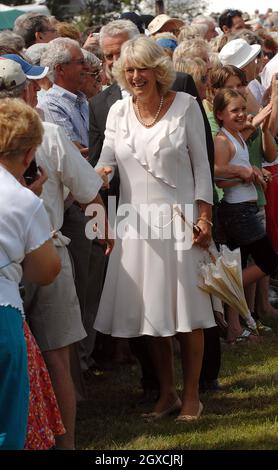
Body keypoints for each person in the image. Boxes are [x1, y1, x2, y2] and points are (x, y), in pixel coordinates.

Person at [94, 36, 217, 421]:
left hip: (181, 223)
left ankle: (193, 395)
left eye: (142, 68)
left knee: (188, 315)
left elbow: (202, 167)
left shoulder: (185, 106)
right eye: (128, 70)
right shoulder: (116, 111)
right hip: (135, 226)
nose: (135, 76)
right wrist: (89, 178)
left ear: (158, 70)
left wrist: (204, 217)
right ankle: (167, 394)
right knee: (152, 318)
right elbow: (106, 162)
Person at [0, 96, 61, 449]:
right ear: (28, 155)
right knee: (9, 425)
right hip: (3, 315)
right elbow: (45, 271)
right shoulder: (23, 200)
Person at [214, 89, 277, 341]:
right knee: (268, 261)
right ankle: (223, 286)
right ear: (220, 114)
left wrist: (254, 172)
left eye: (243, 109)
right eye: (234, 110)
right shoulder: (222, 140)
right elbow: (216, 170)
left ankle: (234, 329)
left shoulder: (238, 136)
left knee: (240, 264)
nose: (241, 114)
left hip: (244, 208)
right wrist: (243, 171)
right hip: (236, 212)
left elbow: (226, 177)